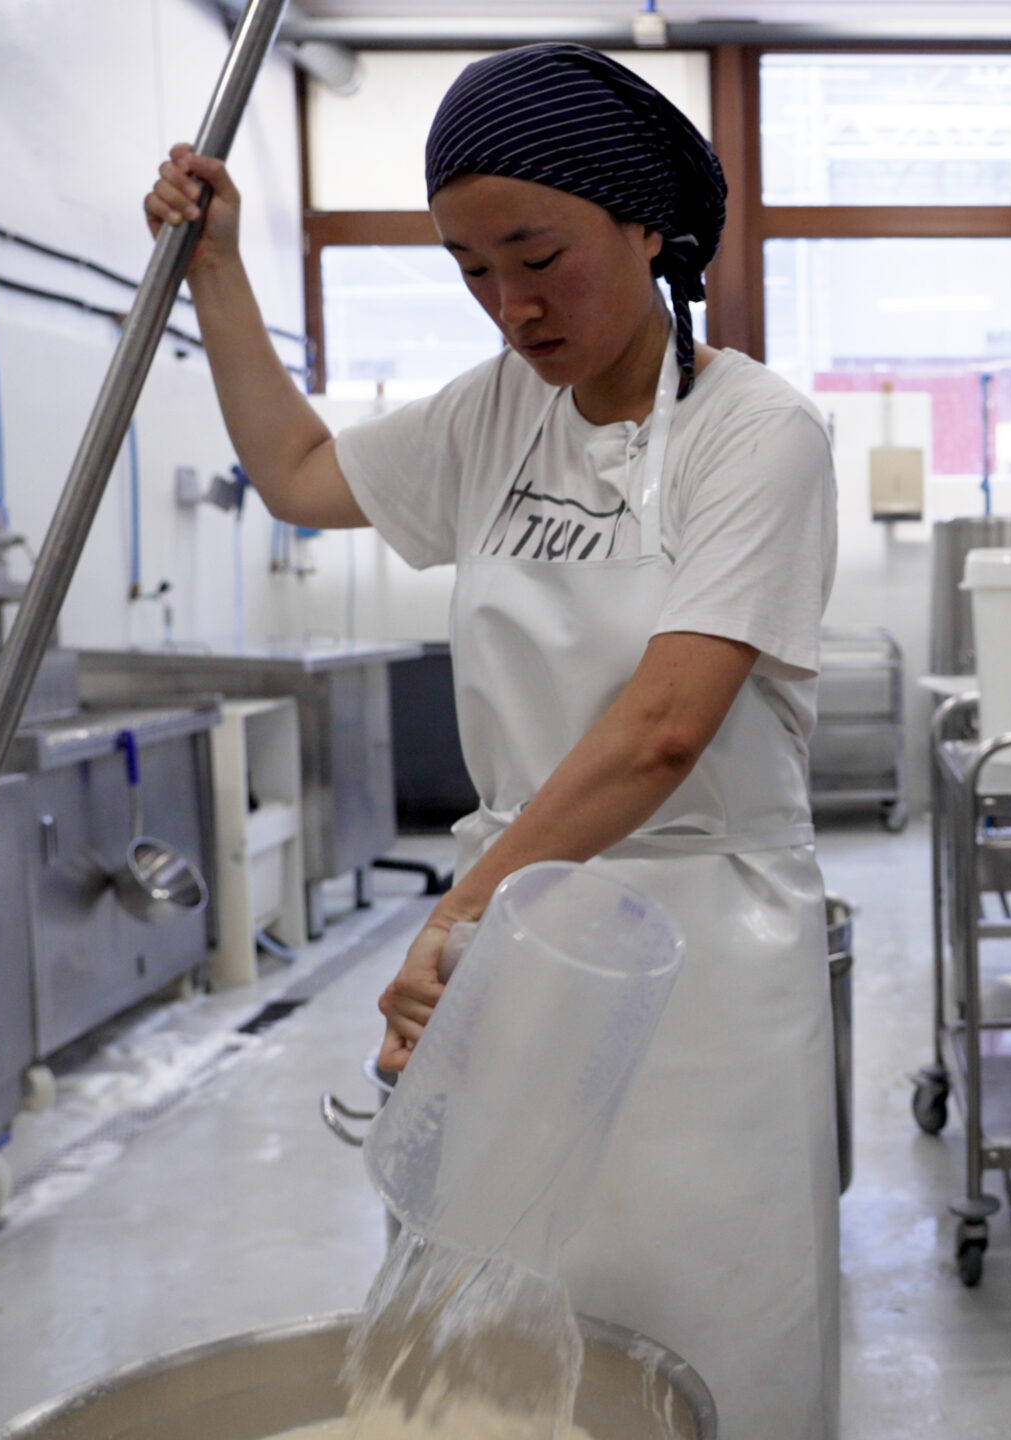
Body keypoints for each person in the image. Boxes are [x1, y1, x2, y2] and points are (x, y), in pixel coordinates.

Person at [145, 43, 840, 1436]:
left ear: (647, 228)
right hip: (523, 940)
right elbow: (297, 473)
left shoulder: (757, 433)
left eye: (538, 257)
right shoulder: (496, 414)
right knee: (504, 1327)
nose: (511, 306)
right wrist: (217, 273)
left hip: (705, 955)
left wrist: (464, 908)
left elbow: (664, 729)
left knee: (712, 1317)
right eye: (471, 268)